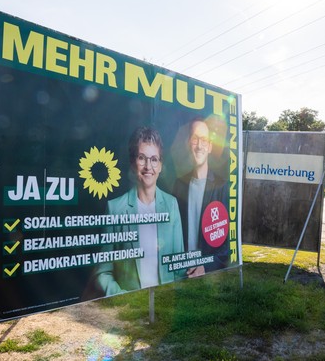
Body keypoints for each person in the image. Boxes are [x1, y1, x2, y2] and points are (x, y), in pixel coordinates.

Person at [91, 126, 185, 297]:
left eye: (154, 159)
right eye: (142, 158)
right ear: (133, 163)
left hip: (166, 305)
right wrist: (123, 299)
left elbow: (178, 266)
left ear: (161, 165)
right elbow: (102, 273)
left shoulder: (171, 205)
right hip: (130, 312)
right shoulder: (115, 209)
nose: (148, 166)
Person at [173, 118, 229, 277]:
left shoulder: (222, 187)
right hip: (181, 272)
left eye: (204, 140)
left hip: (206, 275)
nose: (199, 146)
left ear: (210, 146)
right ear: (187, 144)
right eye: (195, 139)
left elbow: (226, 247)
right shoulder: (179, 185)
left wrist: (205, 267)